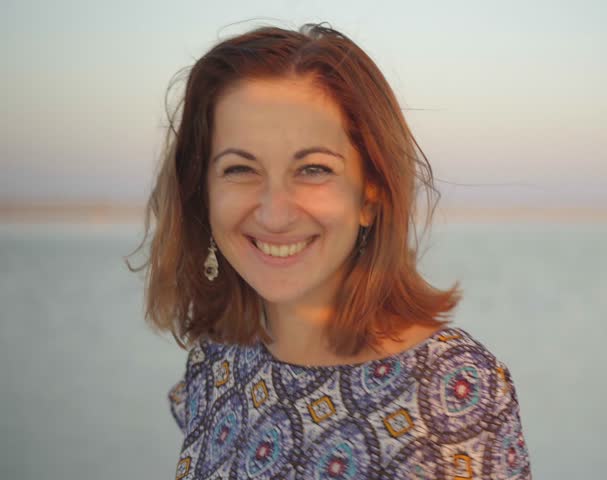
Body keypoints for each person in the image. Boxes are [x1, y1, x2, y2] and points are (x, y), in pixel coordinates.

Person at [130, 23, 531, 479]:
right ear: (200, 192)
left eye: (313, 169)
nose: (275, 213)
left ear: (370, 193)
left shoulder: (453, 390)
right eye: (240, 169)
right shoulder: (217, 361)